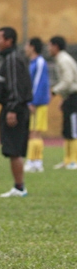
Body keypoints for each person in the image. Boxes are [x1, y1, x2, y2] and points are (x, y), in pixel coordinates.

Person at [0, 27, 32, 197]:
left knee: (14, 150)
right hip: (14, 108)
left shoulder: (12, 60)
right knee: (12, 151)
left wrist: (12, 110)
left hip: (13, 110)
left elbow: (15, 88)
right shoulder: (12, 58)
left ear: (9, 41)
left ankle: (19, 188)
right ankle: (18, 186)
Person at [48, 36, 77, 170]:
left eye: (50, 45)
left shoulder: (63, 60)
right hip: (69, 97)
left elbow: (68, 81)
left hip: (74, 96)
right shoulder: (61, 59)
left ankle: (74, 160)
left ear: (56, 46)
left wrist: (54, 91)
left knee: (73, 129)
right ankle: (67, 160)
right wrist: (64, 99)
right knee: (66, 129)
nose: (48, 49)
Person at [23, 37, 50, 173]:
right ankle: (35, 162)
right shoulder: (33, 63)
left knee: (35, 133)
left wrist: (32, 101)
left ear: (32, 47)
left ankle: (34, 162)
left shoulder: (39, 62)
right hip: (35, 102)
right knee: (33, 132)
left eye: (27, 45)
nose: (25, 48)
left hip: (37, 103)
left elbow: (39, 83)